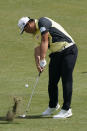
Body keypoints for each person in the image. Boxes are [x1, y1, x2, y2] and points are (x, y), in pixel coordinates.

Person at [18, 16, 78, 119]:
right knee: (52, 82)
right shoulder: (34, 34)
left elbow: (45, 40)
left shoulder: (42, 22)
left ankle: (66, 109)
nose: (26, 32)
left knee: (66, 80)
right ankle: (53, 105)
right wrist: (38, 63)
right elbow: (37, 49)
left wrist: (43, 58)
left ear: (29, 24)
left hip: (68, 49)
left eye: (25, 29)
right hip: (56, 54)